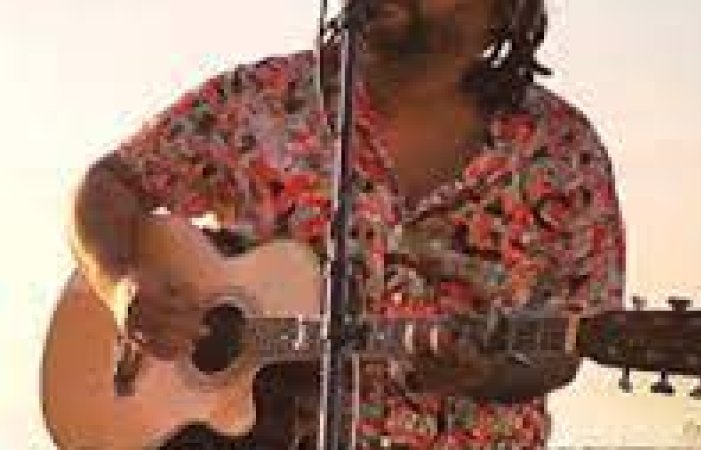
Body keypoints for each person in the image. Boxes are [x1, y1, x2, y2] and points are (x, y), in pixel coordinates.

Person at [69, 0, 626, 447]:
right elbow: (109, 184)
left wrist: (489, 376)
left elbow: (570, 339)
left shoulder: (563, 154)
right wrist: (120, 285)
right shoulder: (263, 102)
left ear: (506, 10)